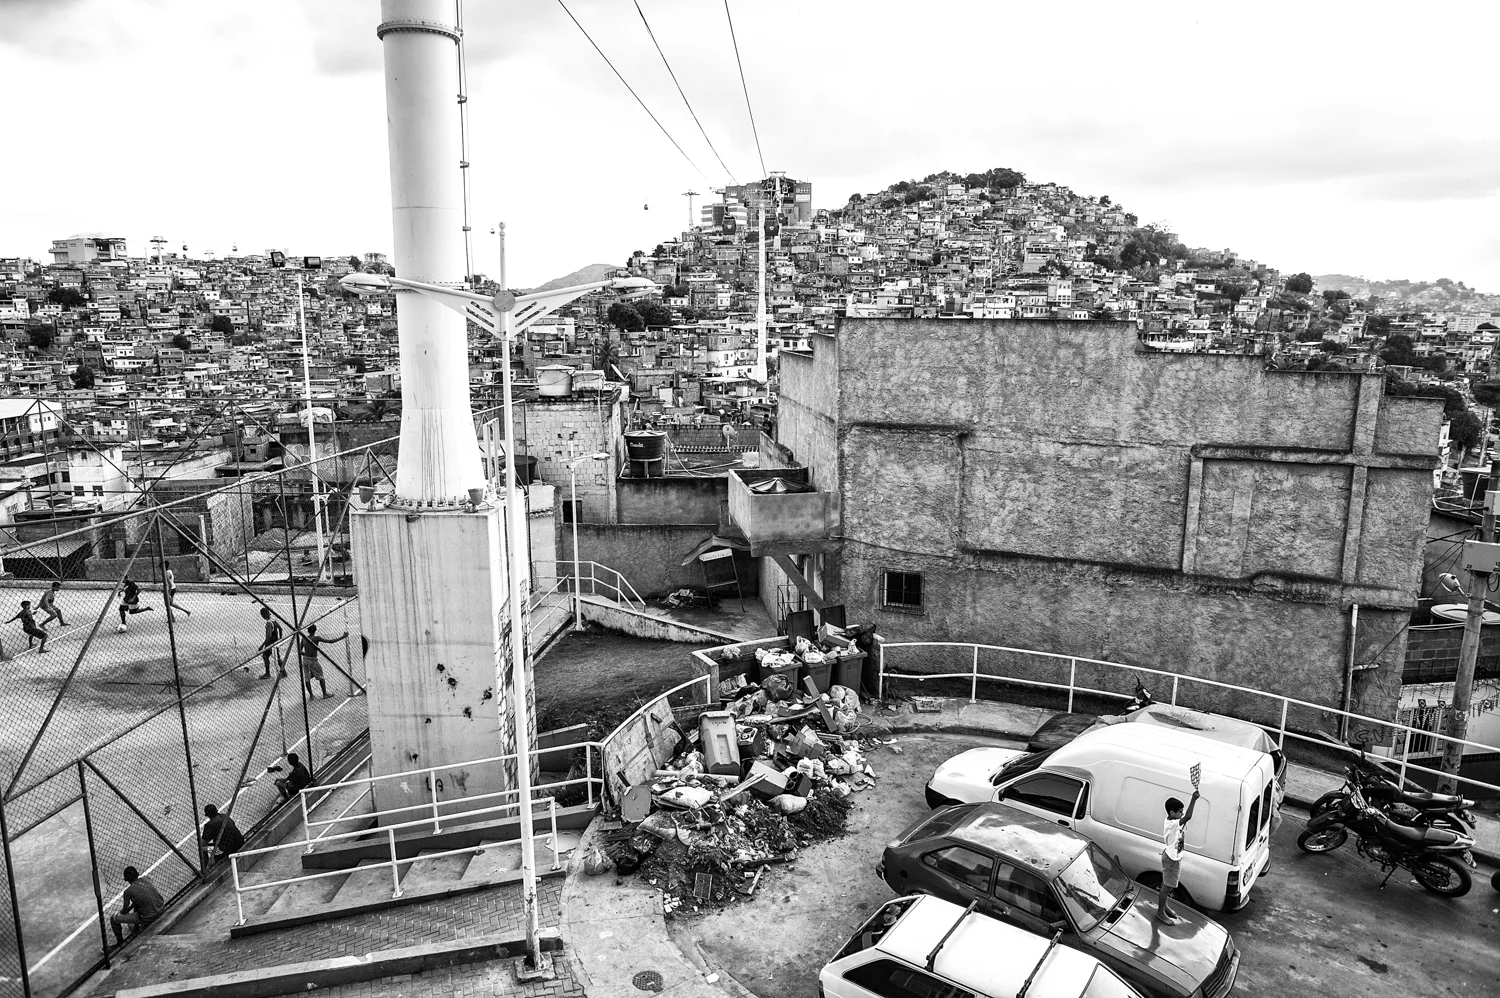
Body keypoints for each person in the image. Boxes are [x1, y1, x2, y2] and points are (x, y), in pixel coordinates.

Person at [1157, 790, 1200, 924]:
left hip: (1173, 856)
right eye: (1180, 811)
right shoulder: (1173, 824)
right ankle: (1160, 912)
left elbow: (1184, 819)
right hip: (1171, 859)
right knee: (1168, 887)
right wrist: (1193, 799)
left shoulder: (1173, 820)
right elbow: (1188, 817)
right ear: (1172, 813)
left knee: (1167, 883)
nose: (1182, 813)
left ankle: (1165, 907)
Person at [110, 866, 164, 944]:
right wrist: (134, 904)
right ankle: (137, 928)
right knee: (138, 906)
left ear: (126, 879)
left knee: (113, 918)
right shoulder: (146, 879)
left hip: (149, 917)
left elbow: (124, 911)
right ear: (137, 874)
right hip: (161, 909)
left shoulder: (128, 891)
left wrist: (124, 910)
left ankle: (119, 943)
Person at [297, 624, 347, 700]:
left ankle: (311, 696)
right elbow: (330, 641)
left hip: (305, 660)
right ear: (315, 630)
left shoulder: (304, 638)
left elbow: (300, 651)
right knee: (321, 676)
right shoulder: (316, 638)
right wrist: (342, 637)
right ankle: (325, 694)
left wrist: (306, 654)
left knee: (307, 678)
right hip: (313, 660)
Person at [258, 606, 284, 679]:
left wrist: (262, 646)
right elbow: (280, 629)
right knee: (277, 657)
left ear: (264, 615)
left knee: (265, 656)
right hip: (275, 641)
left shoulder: (268, 623)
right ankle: (283, 672)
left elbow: (268, 636)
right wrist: (280, 639)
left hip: (270, 643)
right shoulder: (273, 619)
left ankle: (267, 673)